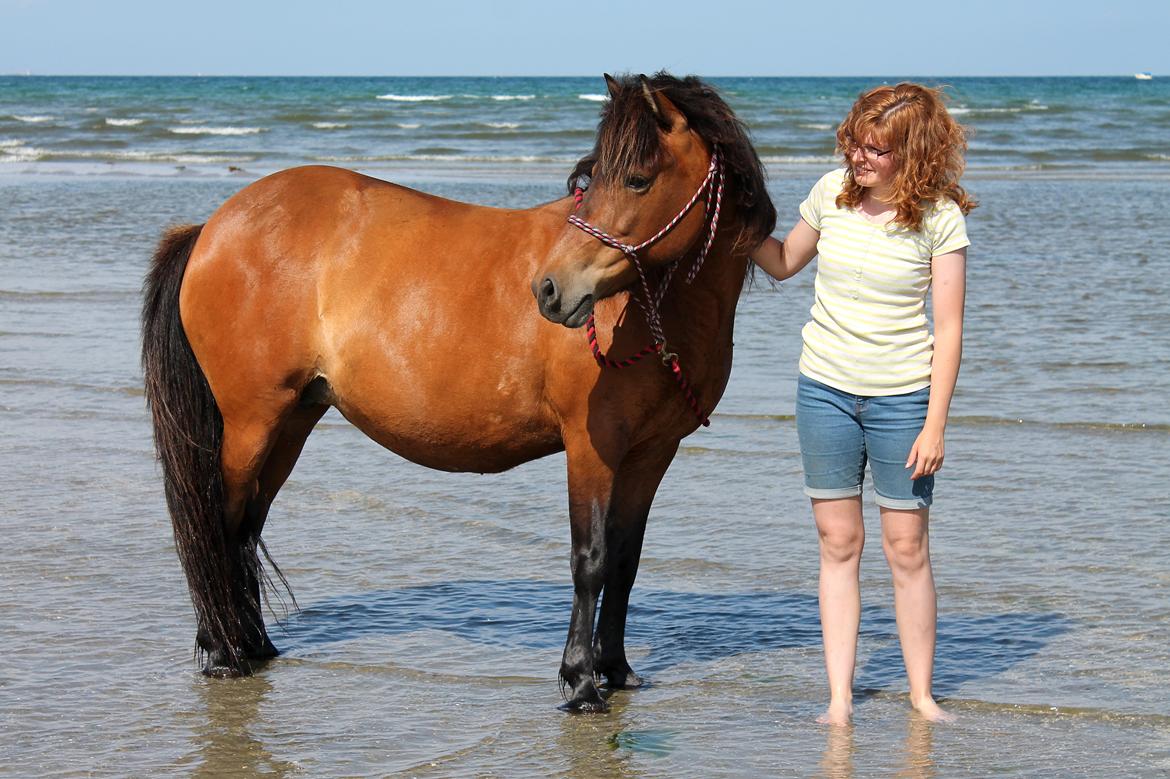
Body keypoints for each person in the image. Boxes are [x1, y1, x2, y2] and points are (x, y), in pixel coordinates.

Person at [751, 83, 976, 725]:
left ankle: (922, 696)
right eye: (855, 142)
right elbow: (785, 261)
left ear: (914, 154)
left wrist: (936, 424)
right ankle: (840, 701)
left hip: (903, 396)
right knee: (837, 540)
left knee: (906, 546)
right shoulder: (830, 193)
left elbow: (951, 329)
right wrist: (739, 228)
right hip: (822, 389)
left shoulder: (940, 219)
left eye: (876, 149)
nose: (860, 158)